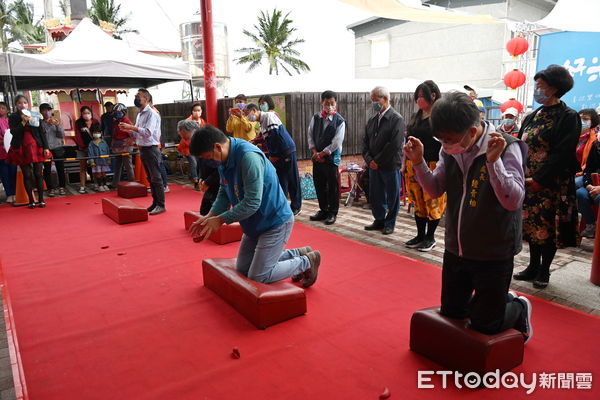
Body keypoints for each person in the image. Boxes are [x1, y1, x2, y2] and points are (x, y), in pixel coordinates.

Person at [404, 91, 533, 342]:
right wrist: (418, 162)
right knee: (453, 313)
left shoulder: (506, 147)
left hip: (493, 250)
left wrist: (494, 164)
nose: (445, 145)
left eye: (449, 139)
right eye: (440, 139)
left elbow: (514, 200)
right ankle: (493, 300)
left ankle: (518, 308)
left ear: (472, 132)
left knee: (486, 324)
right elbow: (435, 189)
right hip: (457, 247)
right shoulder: (449, 149)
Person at [188, 125, 321, 287]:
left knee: (259, 276)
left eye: (208, 157)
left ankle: (307, 261)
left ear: (217, 146)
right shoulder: (224, 157)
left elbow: (252, 203)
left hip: (275, 222)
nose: (209, 162)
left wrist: (220, 220)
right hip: (253, 224)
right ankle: (299, 252)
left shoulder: (248, 158)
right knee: (243, 269)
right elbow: (225, 190)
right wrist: (210, 216)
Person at [514, 65, 580, 289]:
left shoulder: (568, 116)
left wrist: (540, 179)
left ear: (553, 88)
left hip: (551, 183)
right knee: (531, 223)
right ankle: (532, 265)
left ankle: (544, 270)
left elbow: (563, 153)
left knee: (547, 225)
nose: (537, 90)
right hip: (528, 179)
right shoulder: (535, 114)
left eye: (540, 86)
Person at [403, 81, 446, 251]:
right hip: (413, 164)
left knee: (432, 201)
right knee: (417, 200)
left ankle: (430, 237)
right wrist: (405, 163)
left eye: (422, 96)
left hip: (433, 164)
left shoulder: (439, 117)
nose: (419, 100)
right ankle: (420, 234)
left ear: (433, 95)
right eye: (417, 97)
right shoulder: (416, 117)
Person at [244, 103, 302, 215]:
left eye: (247, 114)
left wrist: (273, 155)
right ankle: (282, 205)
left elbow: (275, 136)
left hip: (286, 151)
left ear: (254, 110)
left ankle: (296, 206)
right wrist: (255, 141)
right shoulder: (261, 122)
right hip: (278, 154)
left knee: (292, 179)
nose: (247, 118)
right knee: (281, 180)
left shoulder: (269, 117)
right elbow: (264, 136)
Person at [362, 86, 405, 235]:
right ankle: (379, 219)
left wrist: (377, 161)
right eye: (372, 100)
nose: (373, 103)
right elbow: (365, 143)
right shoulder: (373, 120)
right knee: (376, 194)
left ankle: (390, 222)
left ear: (385, 99)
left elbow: (394, 144)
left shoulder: (396, 119)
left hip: (390, 164)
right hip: (374, 166)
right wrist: (369, 160)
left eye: (376, 100)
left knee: (392, 195)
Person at [119, 88, 166, 215]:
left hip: (151, 148)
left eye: (138, 96)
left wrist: (131, 127)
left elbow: (148, 132)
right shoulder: (140, 114)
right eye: (136, 95)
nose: (136, 98)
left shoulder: (152, 113)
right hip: (143, 148)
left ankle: (161, 205)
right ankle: (155, 202)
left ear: (146, 98)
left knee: (156, 178)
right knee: (150, 178)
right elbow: (138, 132)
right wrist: (128, 131)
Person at [307, 90, 345, 225]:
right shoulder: (316, 118)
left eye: (332, 103)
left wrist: (322, 153)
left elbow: (337, 142)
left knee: (332, 186)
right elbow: (310, 135)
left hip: (330, 158)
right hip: (317, 157)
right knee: (319, 184)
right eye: (326, 103)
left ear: (335, 103)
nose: (329, 106)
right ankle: (323, 209)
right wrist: (315, 152)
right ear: (321, 103)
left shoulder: (339, 121)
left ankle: (332, 212)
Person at [7, 95, 51, 208]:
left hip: (36, 146)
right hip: (21, 147)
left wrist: (46, 147)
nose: (23, 105)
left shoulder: (35, 114)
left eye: (25, 102)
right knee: (27, 174)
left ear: (28, 104)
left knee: (38, 173)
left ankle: (41, 200)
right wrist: (22, 122)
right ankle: (31, 200)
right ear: (16, 105)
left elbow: (42, 132)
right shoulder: (13, 116)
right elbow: (13, 132)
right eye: (20, 103)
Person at [177, 119, 219, 214]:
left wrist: (207, 182)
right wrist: (201, 178)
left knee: (214, 211)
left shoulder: (210, 143)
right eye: (183, 138)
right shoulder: (197, 144)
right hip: (208, 180)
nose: (186, 141)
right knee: (204, 211)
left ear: (195, 132)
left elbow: (220, 169)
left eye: (187, 138)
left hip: (219, 181)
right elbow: (200, 164)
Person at [40, 103, 66, 196]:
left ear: (51, 111)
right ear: (41, 112)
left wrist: (57, 125)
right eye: (44, 110)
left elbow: (62, 135)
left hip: (57, 147)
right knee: (47, 169)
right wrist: (47, 124)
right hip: (46, 149)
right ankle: (50, 189)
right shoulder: (40, 123)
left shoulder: (56, 121)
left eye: (49, 110)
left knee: (60, 168)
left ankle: (62, 187)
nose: (47, 112)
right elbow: (41, 136)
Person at [577, 136, 600, 238]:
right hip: (593, 184)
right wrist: (588, 185)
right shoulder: (596, 145)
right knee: (580, 193)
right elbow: (588, 169)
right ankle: (591, 224)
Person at [74, 106, 100, 193]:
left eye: (88, 113)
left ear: (91, 113)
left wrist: (95, 145)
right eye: (84, 113)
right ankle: (82, 186)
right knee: (82, 167)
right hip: (83, 148)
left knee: (95, 166)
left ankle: (96, 184)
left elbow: (99, 134)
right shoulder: (78, 123)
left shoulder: (95, 121)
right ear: (81, 114)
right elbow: (78, 136)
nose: (86, 115)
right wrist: (84, 147)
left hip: (94, 148)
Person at [110, 103, 135, 187]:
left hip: (126, 145)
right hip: (117, 145)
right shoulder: (115, 121)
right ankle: (115, 183)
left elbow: (132, 134)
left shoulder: (127, 121)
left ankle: (132, 182)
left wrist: (129, 143)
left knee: (128, 165)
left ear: (123, 112)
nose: (116, 114)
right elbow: (114, 133)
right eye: (115, 112)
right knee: (117, 165)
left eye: (118, 112)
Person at [575, 109, 599, 180]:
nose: (581, 121)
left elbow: (593, 164)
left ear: (593, 122)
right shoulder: (570, 136)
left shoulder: (596, 139)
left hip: (585, 172)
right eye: (579, 118)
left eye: (585, 119)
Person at [0, 101, 17, 203]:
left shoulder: (12, 120)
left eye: (2, 108)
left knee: (14, 172)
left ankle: (16, 192)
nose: (1, 110)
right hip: (1, 152)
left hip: (13, 151)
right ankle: (9, 194)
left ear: (8, 110)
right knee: (5, 174)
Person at [87, 127, 111, 191]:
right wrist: (91, 161)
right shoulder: (91, 143)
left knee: (104, 173)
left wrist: (108, 159)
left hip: (104, 161)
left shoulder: (104, 142)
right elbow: (90, 153)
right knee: (98, 173)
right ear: (92, 134)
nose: (96, 134)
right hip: (96, 162)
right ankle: (100, 185)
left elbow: (107, 151)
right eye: (95, 132)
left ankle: (105, 185)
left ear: (100, 133)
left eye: (98, 132)